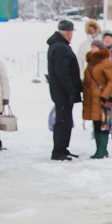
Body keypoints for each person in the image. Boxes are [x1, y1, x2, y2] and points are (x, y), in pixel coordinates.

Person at [47, 20, 82, 161]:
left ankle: (63, 148)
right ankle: (58, 151)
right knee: (62, 121)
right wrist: (71, 91)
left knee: (66, 121)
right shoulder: (61, 48)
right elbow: (63, 73)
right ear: (68, 33)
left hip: (61, 91)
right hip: (62, 92)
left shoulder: (58, 46)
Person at [83, 39, 112, 160]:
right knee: (96, 123)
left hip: (102, 99)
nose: (92, 49)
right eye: (92, 47)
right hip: (91, 98)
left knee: (103, 124)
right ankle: (100, 149)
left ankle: (102, 150)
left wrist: (105, 95)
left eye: (95, 47)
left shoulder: (106, 62)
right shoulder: (91, 63)